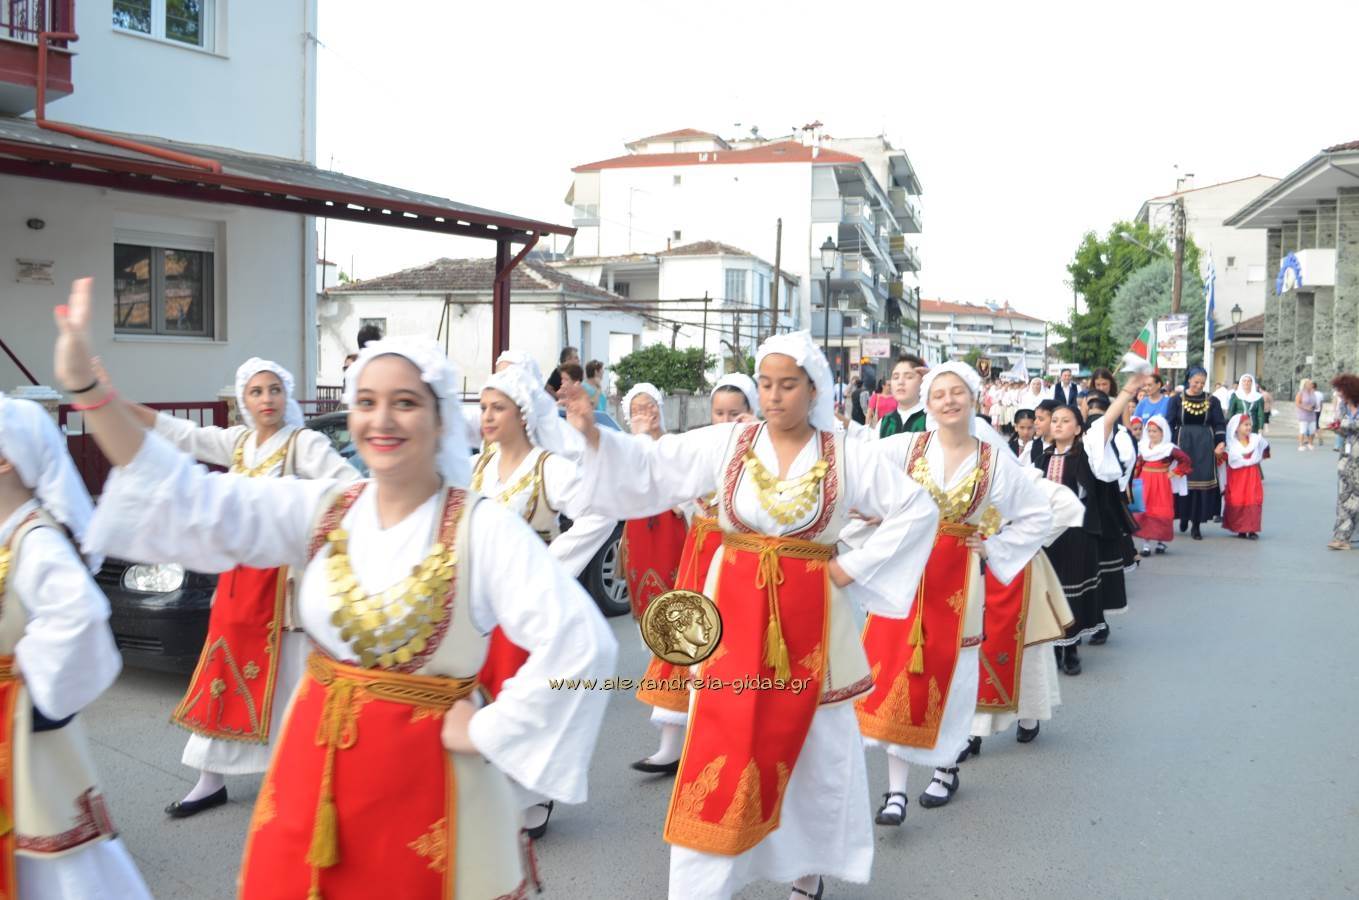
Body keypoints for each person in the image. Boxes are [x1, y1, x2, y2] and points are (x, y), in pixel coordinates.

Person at [57, 279, 617, 899]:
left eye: (405, 402)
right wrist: (89, 391)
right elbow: (190, 496)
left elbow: (582, 645)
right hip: (312, 768)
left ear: (438, 420)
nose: (382, 418)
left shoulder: (482, 527)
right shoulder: (325, 508)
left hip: (428, 780)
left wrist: (490, 731)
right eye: (367, 401)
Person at [559, 330, 939, 900]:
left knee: (814, 745)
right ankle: (703, 883)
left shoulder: (846, 455)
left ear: (814, 390)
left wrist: (851, 567)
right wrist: (595, 436)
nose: (775, 396)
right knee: (723, 738)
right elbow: (654, 465)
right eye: (766, 384)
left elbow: (916, 507)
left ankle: (807, 870)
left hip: (812, 619)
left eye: (788, 385)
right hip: (734, 610)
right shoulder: (730, 442)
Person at [120, 358, 359, 817]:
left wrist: (303, 520)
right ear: (243, 400)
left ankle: (302, 772)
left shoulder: (304, 444)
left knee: (293, 676)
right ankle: (210, 778)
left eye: (274, 390)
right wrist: (115, 403)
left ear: (286, 395)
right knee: (223, 670)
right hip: (237, 582)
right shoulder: (239, 442)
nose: (267, 399)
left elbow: (349, 488)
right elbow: (184, 435)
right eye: (256, 391)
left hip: (285, 587)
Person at [850, 363, 1053, 825]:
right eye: (939, 393)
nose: (948, 400)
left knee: (955, 678)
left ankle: (946, 768)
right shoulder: (905, 447)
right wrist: (876, 516)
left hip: (959, 581)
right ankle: (895, 792)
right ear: (928, 402)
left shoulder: (994, 460)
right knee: (899, 676)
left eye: (957, 392)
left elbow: (1037, 513)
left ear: (974, 399)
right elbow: (857, 472)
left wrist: (995, 546)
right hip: (907, 576)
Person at [0, 395, 153, 900]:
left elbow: (81, 615)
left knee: (54, 858)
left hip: (20, 733)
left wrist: (33, 687)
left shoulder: (35, 540)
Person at [472, 363, 618, 837]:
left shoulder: (548, 467)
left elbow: (599, 511)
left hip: (525, 599)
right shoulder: (478, 466)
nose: (486, 416)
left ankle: (532, 794)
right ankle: (490, 791)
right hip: (480, 599)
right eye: (483, 407)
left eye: (497, 408)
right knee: (482, 695)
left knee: (524, 692)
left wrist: (551, 567)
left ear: (522, 413)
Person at [634, 373, 758, 777]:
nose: (726, 420)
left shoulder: (762, 454)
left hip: (738, 560)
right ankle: (669, 745)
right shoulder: (700, 449)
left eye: (735, 413)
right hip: (698, 556)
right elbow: (662, 476)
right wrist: (646, 438)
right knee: (680, 644)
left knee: (729, 652)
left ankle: (726, 743)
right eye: (719, 412)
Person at [1043, 377, 1147, 675]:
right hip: (1046, 537)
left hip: (1077, 533)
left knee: (1072, 593)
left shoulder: (1086, 451)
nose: (1058, 425)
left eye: (1066, 420)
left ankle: (1071, 649)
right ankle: (1054, 646)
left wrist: (1127, 391)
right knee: (1050, 593)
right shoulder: (1041, 456)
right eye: (1055, 420)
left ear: (1079, 428)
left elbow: (1106, 421)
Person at [1166, 366, 1227, 540]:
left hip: (1204, 446)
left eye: (1202, 382)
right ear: (1189, 380)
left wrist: (1220, 442)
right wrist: (1167, 446)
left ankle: (1196, 525)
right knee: (1183, 481)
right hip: (1182, 443)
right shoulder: (1176, 400)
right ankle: (1183, 516)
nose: (1199, 385)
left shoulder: (1212, 400)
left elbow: (1219, 423)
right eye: (1196, 382)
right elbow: (1169, 423)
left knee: (1201, 483)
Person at [1133, 415, 1190, 556]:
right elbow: (1138, 464)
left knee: (1161, 511)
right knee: (1145, 511)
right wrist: (1134, 479)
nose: (1151, 434)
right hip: (1145, 481)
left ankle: (1160, 541)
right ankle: (1146, 544)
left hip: (1161, 483)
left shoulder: (1169, 449)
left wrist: (1175, 472)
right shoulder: (1143, 447)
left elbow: (1185, 460)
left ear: (1163, 432)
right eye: (1149, 431)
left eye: (1155, 431)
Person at [1222, 413, 1267, 540]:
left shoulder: (1255, 440)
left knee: (1252, 499)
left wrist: (1257, 457)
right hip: (1237, 476)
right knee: (1238, 499)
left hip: (1252, 474)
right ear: (1236, 427)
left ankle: (1252, 529)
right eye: (1245, 425)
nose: (1248, 427)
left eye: (1249, 425)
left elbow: (1265, 449)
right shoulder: (1231, 444)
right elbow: (1225, 458)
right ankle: (1240, 528)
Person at [1329, 374, 1359, 550]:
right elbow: (1343, 429)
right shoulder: (1343, 407)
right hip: (1346, 458)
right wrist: (1337, 428)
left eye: (1340, 390)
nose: (1338, 393)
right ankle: (1341, 538)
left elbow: (1351, 425)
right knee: (1344, 497)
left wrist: (1347, 425)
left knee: (1355, 499)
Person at [876, 355, 928, 437]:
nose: (900, 382)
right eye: (896, 377)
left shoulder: (931, 419)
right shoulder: (884, 422)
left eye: (909, 377)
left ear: (923, 381)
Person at [1296, 379, 1323, 451]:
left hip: (1312, 414)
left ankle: (1310, 444)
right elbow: (1297, 403)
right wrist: (1306, 407)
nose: (1311, 385)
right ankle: (1301, 445)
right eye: (1310, 384)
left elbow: (1315, 402)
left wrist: (1315, 406)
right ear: (1305, 385)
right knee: (1303, 430)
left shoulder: (1312, 393)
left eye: (1311, 384)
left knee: (1312, 430)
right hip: (1303, 414)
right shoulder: (1301, 393)